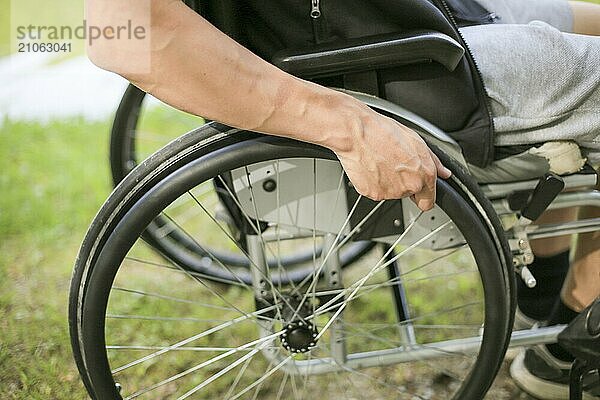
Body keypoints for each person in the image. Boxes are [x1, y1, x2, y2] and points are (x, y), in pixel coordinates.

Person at [85, 0, 600, 398]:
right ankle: (574, 321)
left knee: (584, 16)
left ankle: (552, 304)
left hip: (395, 19)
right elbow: (122, 30)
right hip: (398, 57)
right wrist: (347, 127)